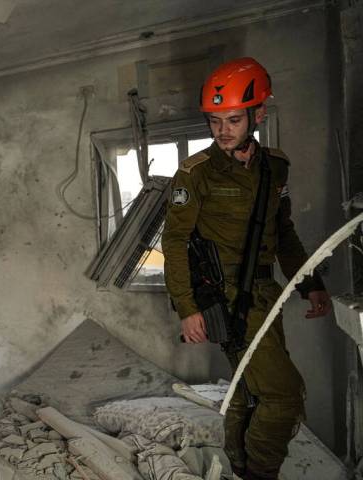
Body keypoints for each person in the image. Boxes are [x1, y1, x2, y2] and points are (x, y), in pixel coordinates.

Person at [161, 57, 332, 480]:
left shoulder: (276, 166)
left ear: (258, 114)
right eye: (215, 121)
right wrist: (187, 307)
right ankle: (260, 473)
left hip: (265, 293)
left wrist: (310, 283)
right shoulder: (194, 173)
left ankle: (238, 467)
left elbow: (284, 231)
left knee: (248, 389)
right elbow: (175, 241)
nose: (223, 131)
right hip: (226, 297)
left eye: (233, 119)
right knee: (283, 395)